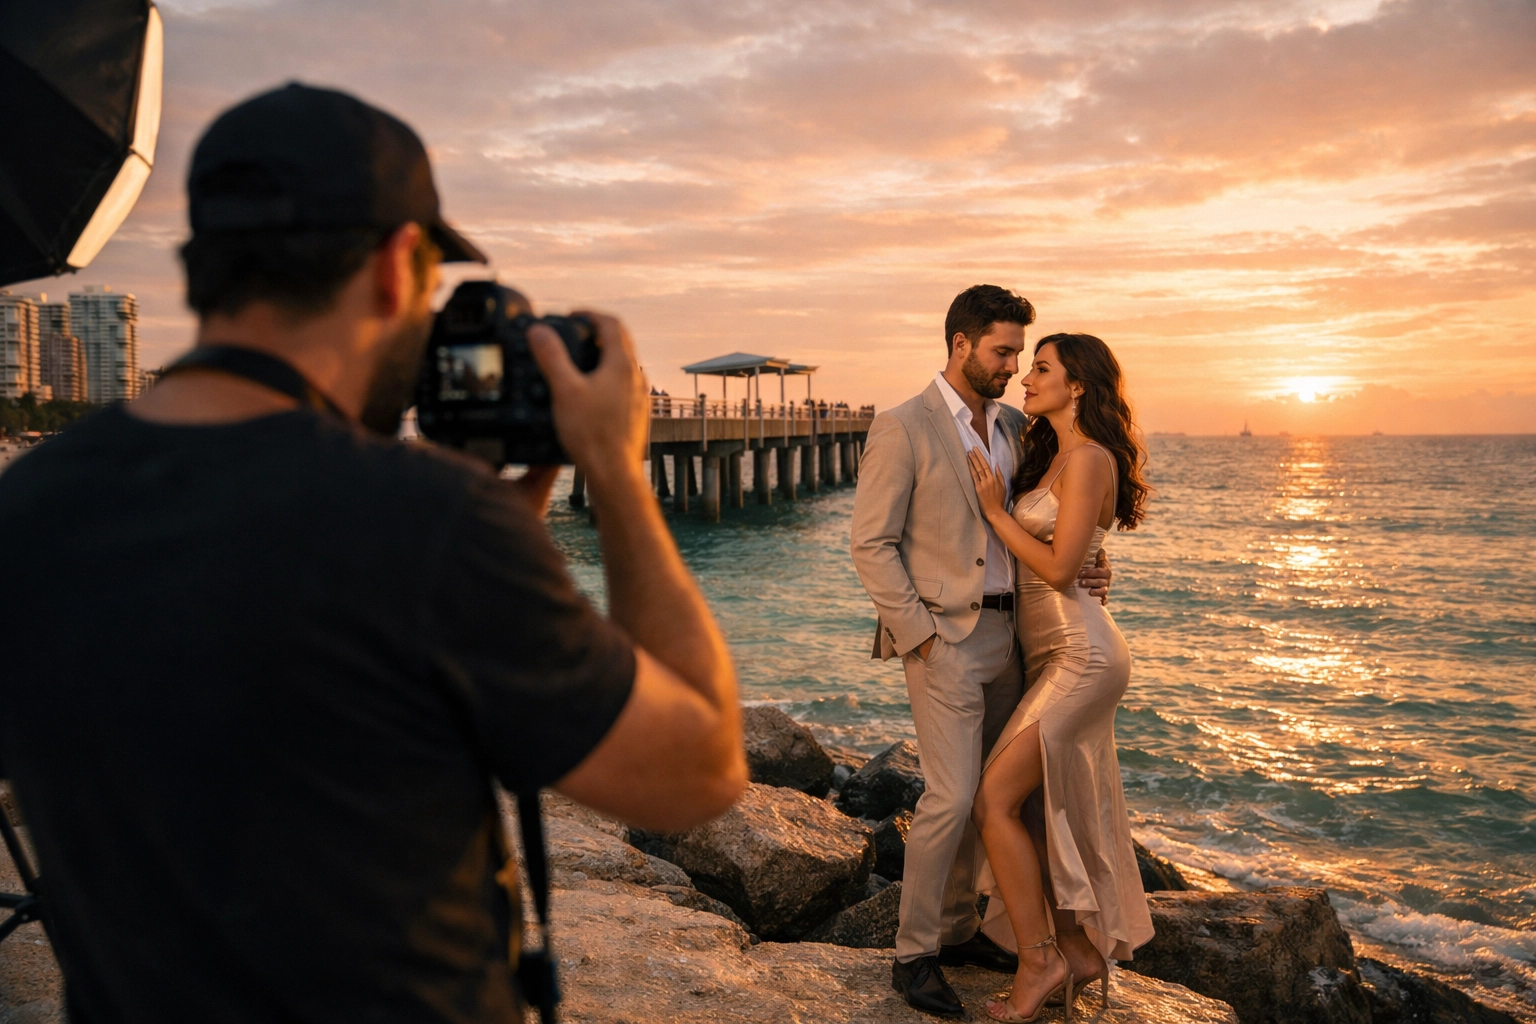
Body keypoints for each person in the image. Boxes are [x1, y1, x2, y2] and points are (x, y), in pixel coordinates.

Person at [0, 83, 746, 1022]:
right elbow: (700, 769)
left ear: (206, 270)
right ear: (396, 267)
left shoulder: (29, 503)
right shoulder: (425, 524)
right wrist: (617, 472)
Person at [850, 285, 1110, 1018]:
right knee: (952, 795)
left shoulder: (1018, 427)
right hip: (946, 640)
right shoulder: (903, 427)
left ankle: (961, 928)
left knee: (998, 795)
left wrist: (1094, 563)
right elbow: (871, 544)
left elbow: (1051, 522)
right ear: (960, 344)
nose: (1012, 367)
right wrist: (921, 636)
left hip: (1018, 639)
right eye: (1002, 352)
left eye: (1020, 355)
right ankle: (914, 955)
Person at [964, 333, 1155, 1021]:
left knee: (993, 801)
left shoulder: (1093, 457)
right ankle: (1075, 951)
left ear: (1078, 384)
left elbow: (1059, 568)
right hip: (1051, 652)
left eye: (1041, 368)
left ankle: (1038, 959)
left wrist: (994, 513)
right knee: (1040, 810)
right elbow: (1074, 557)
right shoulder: (1052, 455)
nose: (1025, 378)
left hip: (1083, 655)